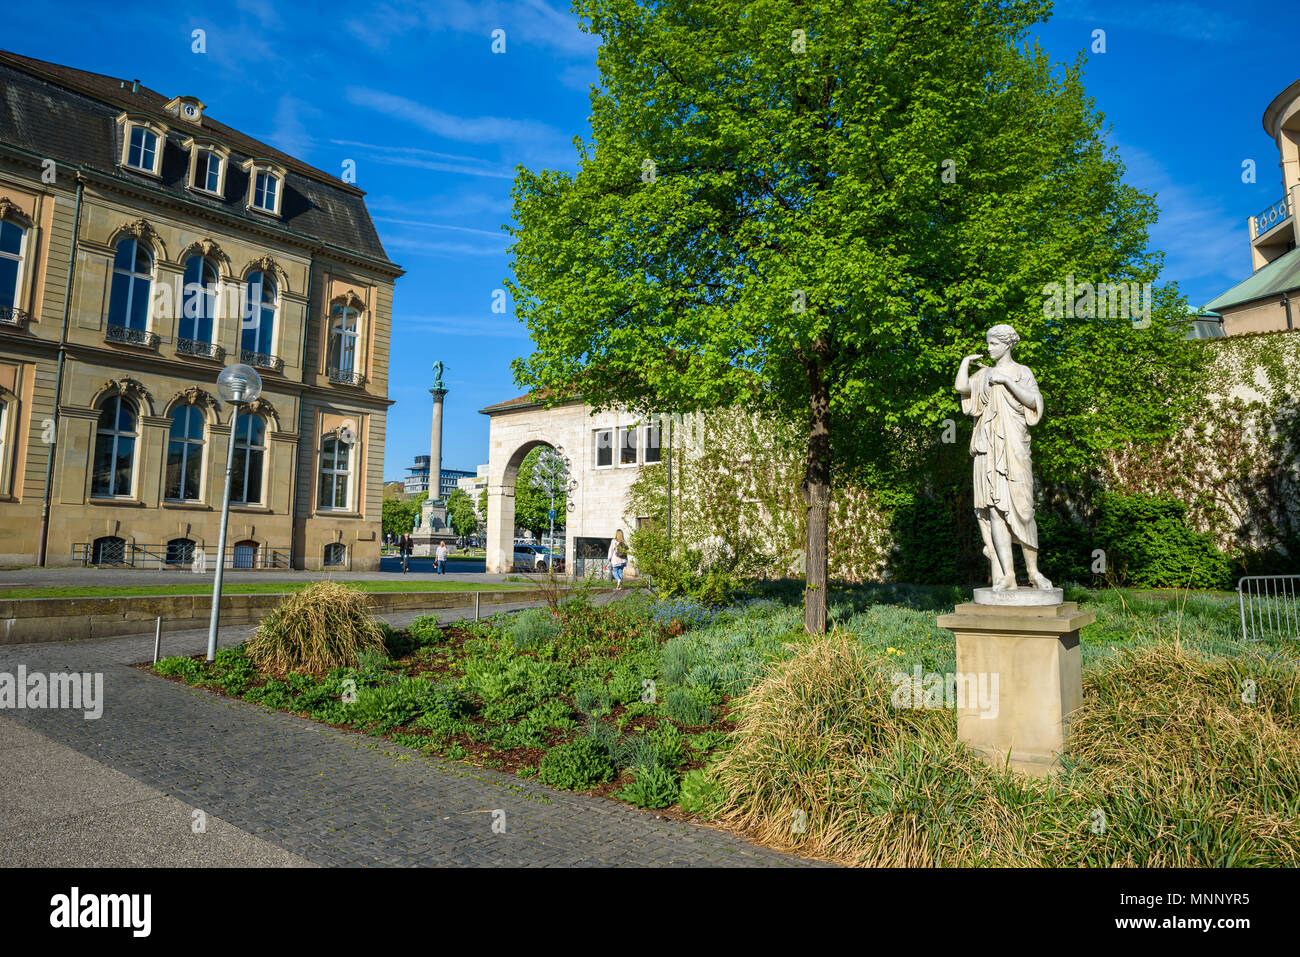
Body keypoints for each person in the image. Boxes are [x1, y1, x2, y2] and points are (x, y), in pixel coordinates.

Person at [955, 323, 1052, 592]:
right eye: (988, 344)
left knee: (1024, 509)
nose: (989, 348)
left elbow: (1034, 402)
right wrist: (965, 363)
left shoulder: (1022, 372)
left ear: (1007, 344)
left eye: (993, 344)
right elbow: (961, 387)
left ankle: (1033, 572)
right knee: (996, 510)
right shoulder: (984, 374)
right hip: (989, 449)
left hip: (1015, 448)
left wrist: (1007, 381)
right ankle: (1008, 575)